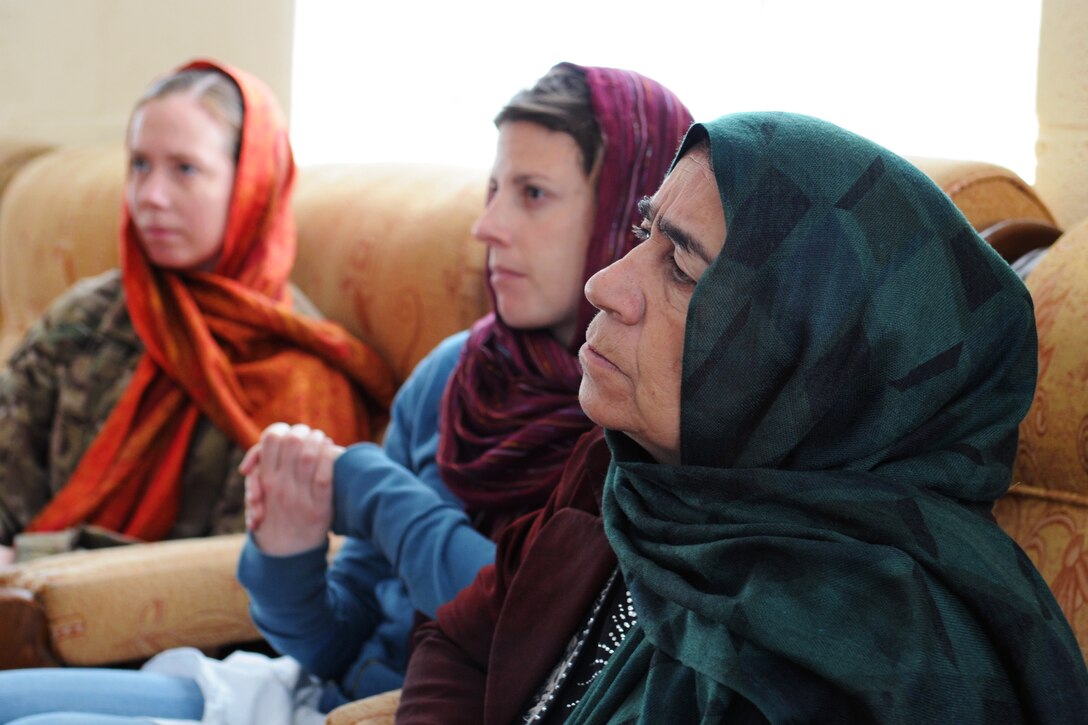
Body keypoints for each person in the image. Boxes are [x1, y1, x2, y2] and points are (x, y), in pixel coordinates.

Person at [0, 64, 692, 723]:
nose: (488, 226)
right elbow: (332, 637)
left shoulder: (634, 415)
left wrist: (371, 490)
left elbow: (536, 628)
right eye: (492, 189)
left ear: (627, 215)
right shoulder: (456, 370)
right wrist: (285, 551)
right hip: (300, 688)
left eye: (532, 194)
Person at [396, 113, 1088, 723]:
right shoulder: (637, 473)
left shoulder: (874, 665)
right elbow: (458, 636)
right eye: (644, 233)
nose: (603, 285)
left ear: (807, 357)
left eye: (682, 267)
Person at [0, 59, 395, 567]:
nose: (151, 196)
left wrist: (28, 562)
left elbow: (236, 581)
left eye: (185, 169)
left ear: (252, 186)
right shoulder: (88, 317)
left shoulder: (302, 379)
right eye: (139, 165)